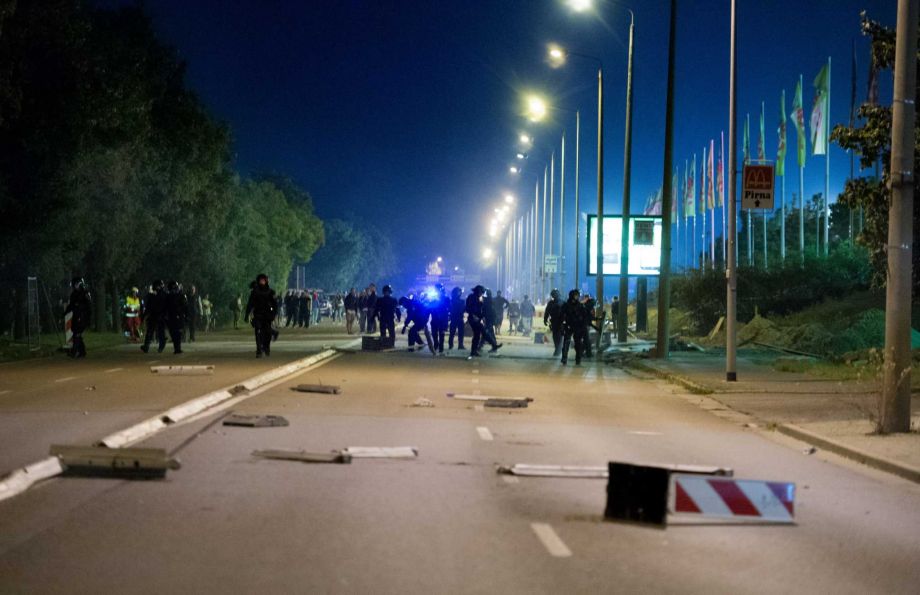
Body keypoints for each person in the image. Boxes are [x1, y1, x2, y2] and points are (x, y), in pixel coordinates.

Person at [245, 273, 277, 358]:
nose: (262, 282)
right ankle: (259, 350)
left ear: (266, 281)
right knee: (258, 332)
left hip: (267, 315)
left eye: (263, 280)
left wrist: (274, 314)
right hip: (258, 315)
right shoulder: (255, 292)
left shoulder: (269, 292)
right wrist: (247, 314)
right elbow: (250, 303)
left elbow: (274, 304)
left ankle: (266, 348)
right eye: (260, 280)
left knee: (267, 333)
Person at [560, 289, 590, 366]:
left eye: (577, 295)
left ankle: (578, 359)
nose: (577, 297)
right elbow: (561, 316)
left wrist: (583, 327)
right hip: (568, 326)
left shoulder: (580, 305)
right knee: (566, 343)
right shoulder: (566, 305)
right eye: (576, 295)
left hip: (578, 327)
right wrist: (562, 325)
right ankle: (564, 358)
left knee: (578, 344)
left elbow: (584, 317)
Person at [64, 277, 91, 358]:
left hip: (82, 316)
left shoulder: (84, 293)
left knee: (77, 333)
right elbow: (71, 305)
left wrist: (85, 315)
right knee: (76, 333)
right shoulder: (74, 294)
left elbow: (88, 305)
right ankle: (82, 352)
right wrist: (65, 313)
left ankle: (74, 352)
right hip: (76, 316)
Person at [141, 280, 167, 353]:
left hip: (160, 316)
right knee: (150, 331)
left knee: (159, 332)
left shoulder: (164, 295)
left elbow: (167, 307)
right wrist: (144, 316)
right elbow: (148, 307)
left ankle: (160, 346)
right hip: (154, 316)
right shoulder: (153, 296)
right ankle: (146, 346)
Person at [165, 281, 188, 354]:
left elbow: (185, 305)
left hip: (177, 316)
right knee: (174, 333)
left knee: (177, 333)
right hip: (173, 317)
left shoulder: (180, 295)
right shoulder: (169, 296)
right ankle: (177, 348)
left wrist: (185, 315)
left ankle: (177, 348)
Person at [464, 285, 486, 357]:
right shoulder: (472, 298)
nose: (481, 294)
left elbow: (479, 309)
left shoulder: (477, 298)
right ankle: (474, 350)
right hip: (473, 318)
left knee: (477, 335)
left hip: (477, 318)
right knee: (478, 334)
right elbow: (469, 308)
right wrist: (474, 315)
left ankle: (474, 350)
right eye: (481, 292)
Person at [479, 289, 502, 353]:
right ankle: (493, 346)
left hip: (488, 319)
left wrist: (482, 316)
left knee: (486, 333)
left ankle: (481, 346)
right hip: (490, 319)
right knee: (489, 333)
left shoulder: (486, 301)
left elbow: (484, 310)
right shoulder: (491, 300)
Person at [429, 284, 450, 355]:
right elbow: (430, 307)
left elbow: (448, 308)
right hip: (435, 318)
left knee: (441, 334)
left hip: (442, 319)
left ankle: (441, 348)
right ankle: (436, 345)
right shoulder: (433, 298)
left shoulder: (446, 298)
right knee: (434, 333)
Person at [543, 289, 564, 356]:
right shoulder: (551, 303)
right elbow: (547, 312)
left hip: (561, 322)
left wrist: (545, 320)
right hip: (554, 322)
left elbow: (568, 312)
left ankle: (558, 350)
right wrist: (545, 319)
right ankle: (557, 349)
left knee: (559, 337)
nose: (555, 296)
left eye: (555, 294)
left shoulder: (562, 302)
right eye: (553, 295)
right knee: (556, 336)